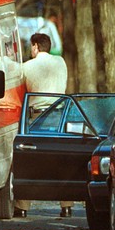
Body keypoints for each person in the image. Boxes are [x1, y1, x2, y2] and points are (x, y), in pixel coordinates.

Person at [14, 33, 74, 218]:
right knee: (60, 160)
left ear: (35, 46)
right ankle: (66, 205)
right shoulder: (61, 62)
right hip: (60, 115)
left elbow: (20, 91)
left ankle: (22, 206)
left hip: (37, 117)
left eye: (31, 47)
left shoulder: (27, 67)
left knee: (29, 160)